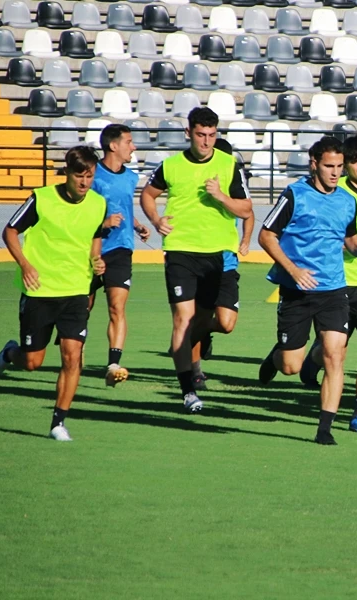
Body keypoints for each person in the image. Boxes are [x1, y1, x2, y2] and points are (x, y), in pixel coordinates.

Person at [256, 137, 357, 445]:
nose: (335, 173)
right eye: (328, 166)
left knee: (335, 354)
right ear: (314, 164)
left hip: (334, 289)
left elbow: (346, 238)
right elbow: (266, 236)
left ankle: (324, 429)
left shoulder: (348, 200)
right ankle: (276, 357)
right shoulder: (295, 194)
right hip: (296, 290)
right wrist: (293, 270)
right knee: (291, 366)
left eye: (338, 167)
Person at [139, 107, 253, 414]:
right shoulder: (171, 165)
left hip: (218, 254)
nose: (206, 142)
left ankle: (195, 346)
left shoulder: (228, 165)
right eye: (201, 135)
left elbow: (245, 209)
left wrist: (221, 197)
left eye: (212, 135)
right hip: (181, 251)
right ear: (189, 133)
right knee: (183, 320)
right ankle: (188, 390)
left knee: (217, 323)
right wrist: (155, 219)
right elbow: (147, 195)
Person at [0, 146, 107, 441]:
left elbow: (94, 239)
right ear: (67, 172)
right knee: (32, 362)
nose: (83, 182)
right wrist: (26, 265)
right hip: (40, 291)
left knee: (72, 357)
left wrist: (97, 262)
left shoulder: (98, 204)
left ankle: (58, 422)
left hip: (77, 292)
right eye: (79, 175)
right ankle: (8, 353)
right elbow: (10, 231)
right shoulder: (40, 199)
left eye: (89, 176)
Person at [298, 135, 357, 435]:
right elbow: (318, 239)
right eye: (353, 161)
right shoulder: (332, 193)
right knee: (334, 353)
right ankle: (312, 361)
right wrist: (348, 246)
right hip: (335, 284)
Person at [189, 138, 254, 390]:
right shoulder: (200, 187)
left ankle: (202, 331)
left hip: (226, 263)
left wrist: (246, 240)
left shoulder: (233, 184)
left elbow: (248, 212)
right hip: (199, 262)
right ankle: (195, 372)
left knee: (226, 323)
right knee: (197, 315)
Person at [89, 124, 149, 387]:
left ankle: (113, 364)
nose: (133, 147)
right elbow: (80, 214)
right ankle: (72, 355)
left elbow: (122, 206)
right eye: (129, 142)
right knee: (83, 308)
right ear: (113, 146)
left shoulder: (131, 177)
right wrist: (104, 224)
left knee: (117, 307)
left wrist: (136, 225)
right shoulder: (92, 175)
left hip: (121, 249)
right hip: (90, 249)